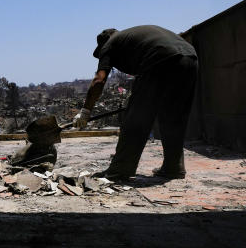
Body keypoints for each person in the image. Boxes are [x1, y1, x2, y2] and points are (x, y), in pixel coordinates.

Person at [73, 25, 198, 180]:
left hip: (160, 58)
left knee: (136, 118)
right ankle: (173, 167)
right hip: (190, 57)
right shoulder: (132, 37)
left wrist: (85, 111)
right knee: (173, 116)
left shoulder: (110, 44)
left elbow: (99, 80)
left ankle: (121, 169)